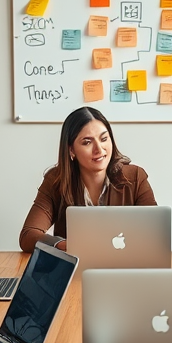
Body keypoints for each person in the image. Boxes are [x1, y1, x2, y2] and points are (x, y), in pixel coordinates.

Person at [19, 106, 156, 252]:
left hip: (126, 266)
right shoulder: (56, 181)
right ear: (71, 150)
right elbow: (28, 236)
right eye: (87, 142)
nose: (99, 149)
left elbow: (156, 233)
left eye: (104, 139)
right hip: (77, 269)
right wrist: (63, 245)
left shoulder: (134, 177)